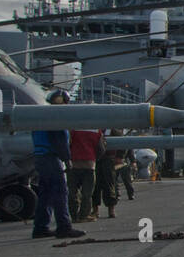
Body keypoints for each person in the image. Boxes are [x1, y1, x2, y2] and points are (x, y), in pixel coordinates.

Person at [31, 89, 84, 239]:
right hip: (51, 157)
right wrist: (67, 159)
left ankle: (40, 227)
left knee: (46, 194)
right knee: (60, 192)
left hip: (40, 157)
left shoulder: (40, 115)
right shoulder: (56, 117)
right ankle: (64, 227)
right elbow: (59, 141)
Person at [68, 127, 101, 221]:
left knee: (73, 192)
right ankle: (84, 215)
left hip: (74, 164)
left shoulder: (73, 128)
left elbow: (68, 143)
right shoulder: (96, 130)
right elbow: (101, 148)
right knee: (87, 193)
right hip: (89, 165)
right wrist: (94, 159)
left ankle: (74, 215)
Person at [93, 131, 122, 219]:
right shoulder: (93, 127)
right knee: (94, 186)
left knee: (109, 185)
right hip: (95, 159)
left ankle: (111, 209)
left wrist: (120, 156)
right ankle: (95, 210)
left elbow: (122, 140)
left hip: (108, 159)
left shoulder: (112, 129)